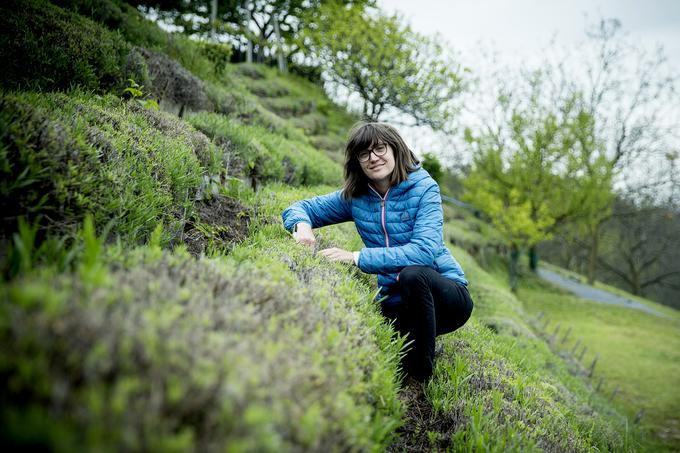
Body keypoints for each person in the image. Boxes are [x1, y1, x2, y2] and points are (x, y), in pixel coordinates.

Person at [281, 122, 473, 382]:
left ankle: (420, 382)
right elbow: (302, 207)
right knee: (390, 343)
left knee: (413, 275)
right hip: (397, 300)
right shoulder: (357, 196)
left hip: (447, 297)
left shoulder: (424, 188)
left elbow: (425, 251)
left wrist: (356, 257)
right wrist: (302, 226)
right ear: (357, 162)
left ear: (395, 149)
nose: (373, 158)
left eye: (379, 148)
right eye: (364, 153)